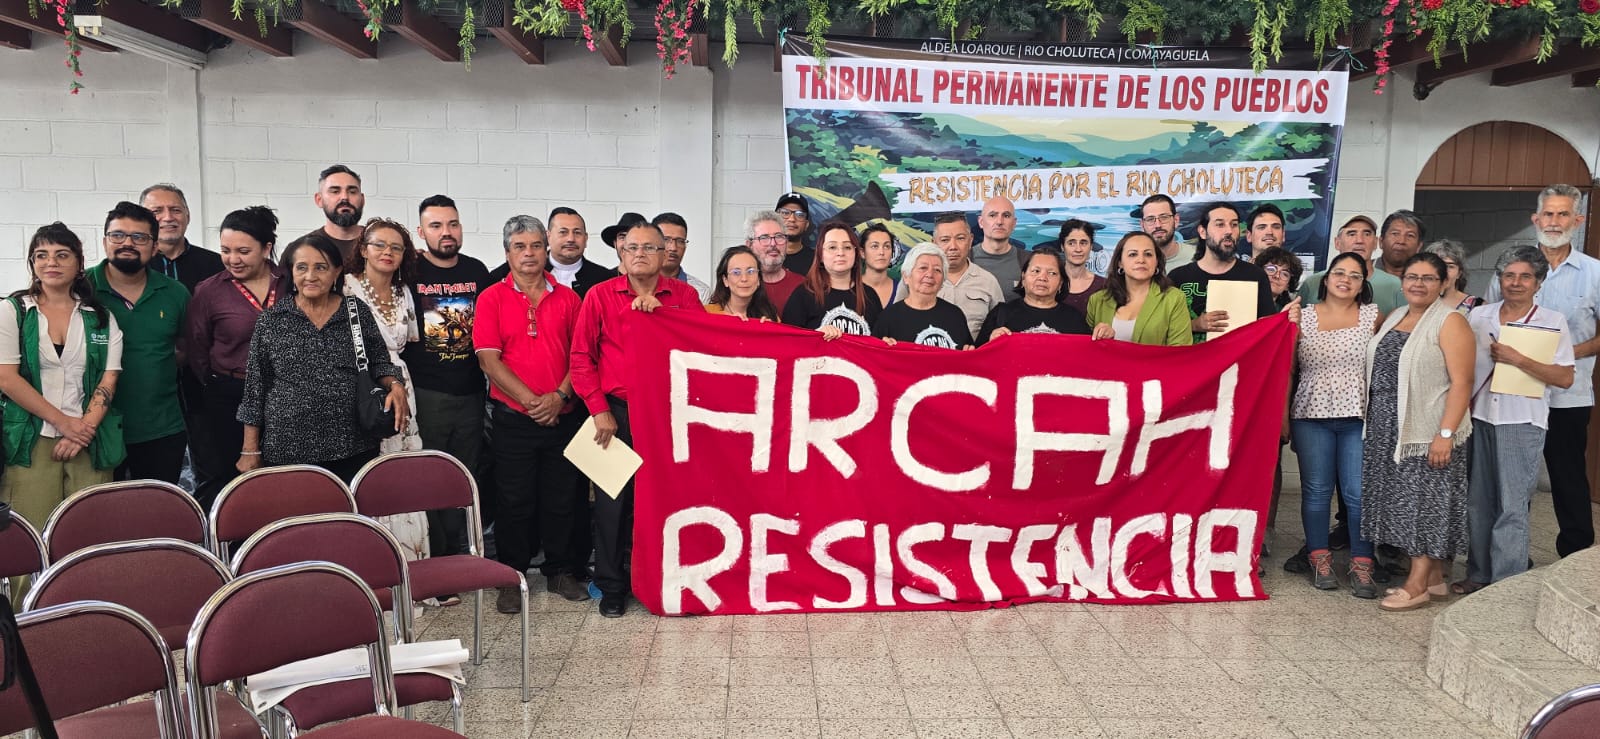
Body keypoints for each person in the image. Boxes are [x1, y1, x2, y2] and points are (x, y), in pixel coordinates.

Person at [571, 221, 704, 617]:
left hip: (670, 416)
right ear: (620, 254)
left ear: (666, 255)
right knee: (612, 505)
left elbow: (700, 349)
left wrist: (665, 318)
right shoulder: (599, 296)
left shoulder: (684, 296)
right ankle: (613, 586)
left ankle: (671, 580)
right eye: (632, 248)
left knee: (669, 500)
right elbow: (581, 358)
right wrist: (599, 410)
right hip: (617, 413)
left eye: (650, 247)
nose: (641, 254)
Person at [475, 215, 591, 611]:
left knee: (562, 498)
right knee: (514, 500)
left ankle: (560, 571)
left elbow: (582, 356)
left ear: (547, 250)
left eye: (536, 246)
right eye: (520, 247)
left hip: (563, 415)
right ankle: (512, 576)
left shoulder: (570, 298)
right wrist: (532, 402)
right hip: (513, 420)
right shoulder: (491, 297)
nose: (529, 253)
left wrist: (558, 397)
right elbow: (490, 362)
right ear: (507, 252)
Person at [1484, 185, 1600, 559]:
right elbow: (1488, 321)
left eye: (1563, 214)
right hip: (1513, 398)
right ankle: (1514, 555)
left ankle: (1576, 556)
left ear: (1577, 220)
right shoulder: (1510, 269)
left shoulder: (1594, 274)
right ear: (1536, 219)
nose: (1554, 222)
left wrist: (1563, 355)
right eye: (1548, 214)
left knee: (1568, 480)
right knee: (1514, 483)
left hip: (1568, 395)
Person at [236, 234, 408, 482]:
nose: (311, 276)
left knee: (347, 518)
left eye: (321, 267)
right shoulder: (272, 320)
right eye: (302, 267)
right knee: (295, 518)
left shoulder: (355, 311)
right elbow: (255, 388)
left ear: (337, 271)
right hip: (288, 448)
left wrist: (395, 384)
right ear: (292, 272)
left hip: (353, 445)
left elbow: (379, 360)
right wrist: (250, 449)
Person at [1361, 252, 1474, 611]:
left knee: (1424, 506)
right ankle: (1436, 578)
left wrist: (1445, 433)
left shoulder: (1450, 321)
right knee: (1402, 502)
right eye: (1412, 276)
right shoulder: (1397, 315)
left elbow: (1462, 383)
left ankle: (1417, 584)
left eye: (1428, 278)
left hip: (1426, 429)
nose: (1418, 284)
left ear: (1443, 283)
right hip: (1387, 425)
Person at [1461, 246, 1575, 593]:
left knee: (1512, 504)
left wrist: (1517, 358)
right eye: (1508, 275)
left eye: (1525, 276)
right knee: (1478, 501)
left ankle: (1504, 584)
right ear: (1499, 279)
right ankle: (1478, 573)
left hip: (1522, 421)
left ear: (1538, 283)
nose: (1515, 282)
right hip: (1479, 416)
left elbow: (1565, 377)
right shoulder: (1479, 316)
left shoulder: (1552, 321)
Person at [0, 223, 123, 533]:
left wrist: (81, 430)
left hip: (88, 438)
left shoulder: (100, 317)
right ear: (32, 264)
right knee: (29, 535)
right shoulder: (13, 311)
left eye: (61, 255)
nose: (51, 263)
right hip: (31, 440)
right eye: (41, 255)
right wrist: (63, 423)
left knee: (88, 533)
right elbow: (6, 379)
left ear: (80, 264)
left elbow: (108, 380)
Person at [404, 195, 491, 581]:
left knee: (466, 477)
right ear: (421, 232)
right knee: (431, 478)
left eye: (452, 224)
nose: (446, 232)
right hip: (428, 394)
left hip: (472, 392)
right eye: (436, 226)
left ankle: (461, 555)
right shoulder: (410, 270)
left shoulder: (477, 270)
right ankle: (436, 562)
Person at [185, 206, 290, 510]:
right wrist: (222, 381)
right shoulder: (209, 291)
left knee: (281, 477)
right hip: (230, 397)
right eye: (226, 250)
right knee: (235, 480)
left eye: (243, 251)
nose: (233, 259)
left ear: (267, 248)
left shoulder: (290, 282)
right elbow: (197, 348)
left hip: (285, 394)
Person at [1292, 252, 1382, 599]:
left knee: (1357, 494)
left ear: (1363, 284)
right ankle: (1319, 558)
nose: (1346, 279)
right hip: (1310, 413)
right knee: (1316, 492)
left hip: (1358, 417)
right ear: (1326, 279)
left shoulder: (1373, 316)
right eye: (1339, 273)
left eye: (1355, 275)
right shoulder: (1304, 316)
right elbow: (1287, 365)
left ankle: (1362, 563)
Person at [345, 218, 430, 564]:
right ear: (364, 249)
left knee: (405, 470)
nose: (387, 252)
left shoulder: (404, 292)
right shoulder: (347, 289)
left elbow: (408, 343)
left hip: (401, 384)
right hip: (363, 387)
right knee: (371, 472)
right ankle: (375, 565)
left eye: (396, 247)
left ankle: (412, 566)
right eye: (379, 244)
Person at [86, 202, 189, 486]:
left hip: (161, 428)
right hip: (94, 428)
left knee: (157, 514)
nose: (127, 243)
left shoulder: (175, 293)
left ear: (155, 246)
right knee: (101, 517)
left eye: (139, 237)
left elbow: (185, 347)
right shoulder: (81, 289)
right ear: (104, 241)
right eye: (117, 235)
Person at [1169, 202, 1279, 343]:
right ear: (1203, 232)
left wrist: (1282, 320)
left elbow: (1267, 329)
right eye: (1220, 224)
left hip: (1240, 361)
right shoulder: (1178, 277)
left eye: (1234, 225)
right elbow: (1162, 330)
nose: (1229, 231)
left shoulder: (1255, 275)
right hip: (1191, 361)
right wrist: (1194, 325)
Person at [893, 212, 1007, 338]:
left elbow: (1000, 329)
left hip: (973, 355)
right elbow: (897, 320)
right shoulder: (915, 280)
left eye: (960, 238)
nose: (953, 247)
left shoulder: (988, 281)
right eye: (945, 240)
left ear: (970, 241)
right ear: (934, 243)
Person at [1086, 232, 1193, 346]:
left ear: (1156, 262)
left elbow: (1180, 353)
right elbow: (1086, 350)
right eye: (1132, 254)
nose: (1141, 260)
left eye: (1148, 254)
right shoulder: (1098, 300)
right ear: (1120, 263)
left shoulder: (1174, 299)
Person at [782, 220, 883, 338]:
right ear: (820, 255)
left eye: (847, 247)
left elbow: (880, 344)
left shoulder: (870, 296)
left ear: (856, 254)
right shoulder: (803, 295)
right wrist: (815, 336)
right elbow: (788, 343)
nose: (840, 253)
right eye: (832, 247)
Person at [977, 249, 1091, 345]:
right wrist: (991, 343)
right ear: (1023, 277)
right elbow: (977, 359)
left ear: (1061, 282)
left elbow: (1088, 360)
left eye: (1052, 273)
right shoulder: (1001, 314)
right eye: (1036, 271)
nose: (1042, 278)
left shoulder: (1074, 318)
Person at [873, 244, 974, 349]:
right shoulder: (888, 318)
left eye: (937, 270)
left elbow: (969, 353)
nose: (930, 274)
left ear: (943, 280)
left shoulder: (955, 315)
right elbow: (873, 359)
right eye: (923, 268)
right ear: (906, 276)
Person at [1299, 215, 1406, 314]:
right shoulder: (1313, 283)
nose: (1359, 240)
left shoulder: (1395, 285)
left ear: (1375, 243)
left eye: (1367, 234)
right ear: (1337, 243)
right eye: (1351, 234)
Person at [141, 183, 224, 294]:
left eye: (175, 210)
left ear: (188, 217)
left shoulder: (216, 264)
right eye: (157, 211)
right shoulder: (135, 264)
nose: (168, 218)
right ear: (142, 220)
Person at [305, 164, 366, 264]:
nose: (344, 197)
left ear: (362, 200)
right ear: (319, 200)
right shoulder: (303, 249)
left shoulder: (382, 246)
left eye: (352, 191)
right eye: (335, 191)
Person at [749, 211, 805, 311]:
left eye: (779, 237)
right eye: (764, 238)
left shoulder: (803, 286)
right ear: (749, 245)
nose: (773, 244)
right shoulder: (740, 285)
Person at [706, 246, 778, 321]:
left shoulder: (770, 315)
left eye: (751, 271)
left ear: (759, 279)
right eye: (736, 272)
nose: (744, 279)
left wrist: (770, 328)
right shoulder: (707, 314)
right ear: (725, 280)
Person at [972, 196, 1026, 293]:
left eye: (1006, 216)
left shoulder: (1028, 261)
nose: (999, 222)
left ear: (1014, 223)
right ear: (981, 222)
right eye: (992, 215)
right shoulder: (964, 260)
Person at [654, 212, 711, 302]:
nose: (673, 248)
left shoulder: (701, 291)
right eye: (666, 240)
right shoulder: (637, 285)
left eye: (680, 241)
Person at [1058, 220, 1106, 315]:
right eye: (1071, 243)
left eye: (1083, 243)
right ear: (1062, 247)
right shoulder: (1050, 282)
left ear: (1091, 246)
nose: (1078, 249)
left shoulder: (1104, 285)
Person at [1425, 239, 1483, 314]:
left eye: (1450, 266)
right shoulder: (1416, 301)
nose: (1444, 271)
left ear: (1459, 273)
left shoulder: (1478, 306)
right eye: (1437, 265)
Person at [1139, 194, 1192, 272]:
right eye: (1150, 219)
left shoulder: (1199, 257)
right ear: (1142, 225)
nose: (1158, 225)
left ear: (1176, 220)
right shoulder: (1134, 263)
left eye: (1164, 217)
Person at [1376, 210, 1425, 278]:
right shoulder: (1363, 272)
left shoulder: (1426, 277)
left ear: (1419, 246)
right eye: (1395, 234)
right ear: (1381, 241)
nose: (1401, 241)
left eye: (1410, 235)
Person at [776, 192, 815, 274]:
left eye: (799, 214)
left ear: (806, 224)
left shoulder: (816, 261)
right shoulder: (762, 257)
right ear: (775, 220)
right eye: (785, 213)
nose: (792, 219)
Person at [860, 223, 897, 309]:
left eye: (887, 246)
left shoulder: (902, 290)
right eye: (874, 246)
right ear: (862, 252)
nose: (881, 252)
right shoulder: (850, 289)